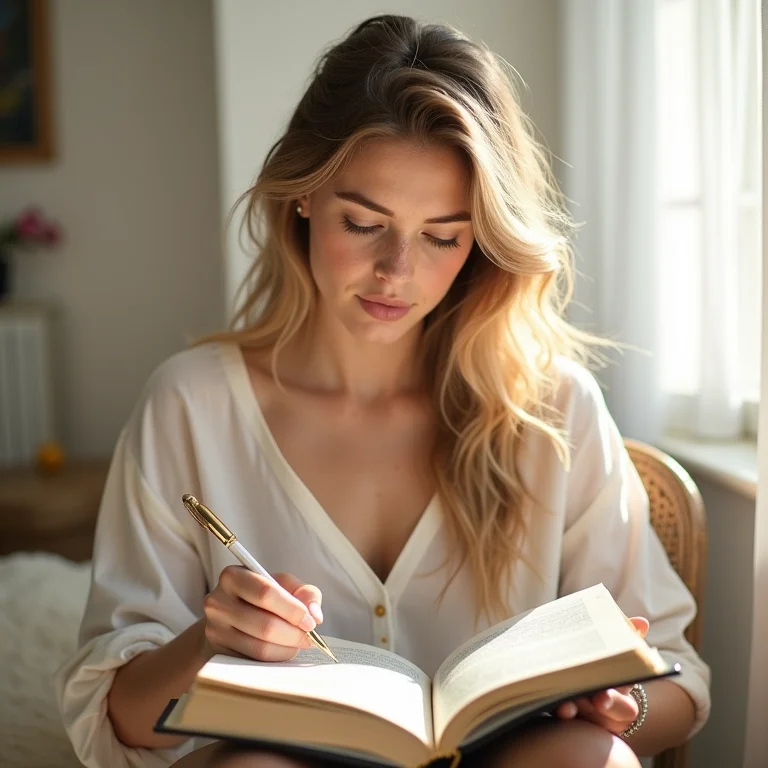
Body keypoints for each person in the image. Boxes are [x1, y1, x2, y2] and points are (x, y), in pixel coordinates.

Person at [54, 14, 710, 768]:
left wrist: (619, 709)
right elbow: (114, 724)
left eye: (442, 236)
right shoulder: (192, 407)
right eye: (364, 223)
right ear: (302, 197)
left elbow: (681, 684)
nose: (398, 272)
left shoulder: (552, 408)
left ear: (483, 241)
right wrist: (209, 641)